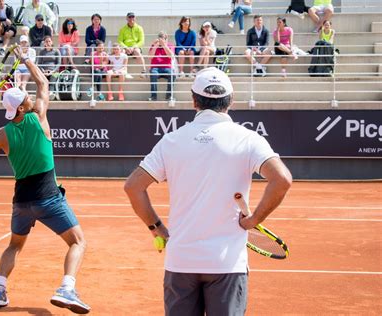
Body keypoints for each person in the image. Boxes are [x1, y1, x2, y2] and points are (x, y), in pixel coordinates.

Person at [124, 66, 292, 316]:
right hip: (226, 264)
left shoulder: (171, 140)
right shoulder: (247, 139)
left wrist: (156, 228)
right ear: (231, 100)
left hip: (181, 261)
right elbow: (282, 179)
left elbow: (133, 187)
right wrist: (254, 220)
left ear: (194, 101)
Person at [0, 45, 90, 315]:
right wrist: (24, 57)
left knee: (14, 244)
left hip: (21, 202)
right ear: (24, 106)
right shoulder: (39, 117)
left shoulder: (1, 134)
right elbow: (43, 82)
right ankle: (67, 288)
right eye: (26, 97)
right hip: (48, 197)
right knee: (78, 242)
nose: (29, 97)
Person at [117, 12, 147, 78]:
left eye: (133, 17)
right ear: (126, 18)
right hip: (126, 48)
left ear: (135, 18)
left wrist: (133, 47)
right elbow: (120, 41)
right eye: (129, 17)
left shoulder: (139, 28)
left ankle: (144, 71)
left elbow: (142, 41)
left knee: (137, 52)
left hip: (135, 47)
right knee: (122, 53)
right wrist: (126, 47)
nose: (131, 18)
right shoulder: (122, 29)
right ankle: (123, 72)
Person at [148, 31, 175, 102]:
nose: (162, 41)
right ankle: (153, 96)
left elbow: (171, 56)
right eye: (160, 39)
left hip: (167, 68)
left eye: (163, 39)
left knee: (173, 74)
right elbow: (150, 57)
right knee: (153, 74)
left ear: (166, 39)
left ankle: (169, 96)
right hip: (155, 68)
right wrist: (155, 46)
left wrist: (164, 46)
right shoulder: (154, 45)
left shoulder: (170, 46)